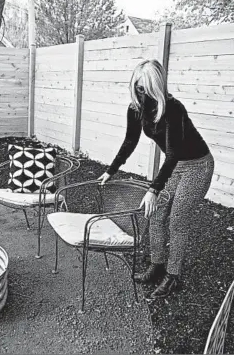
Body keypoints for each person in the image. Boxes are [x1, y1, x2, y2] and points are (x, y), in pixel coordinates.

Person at [98, 59, 214, 299]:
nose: (143, 95)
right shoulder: (135, 108)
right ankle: (157, 265)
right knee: (157, 213)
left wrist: (153, 189)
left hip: (197, 166)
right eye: (140, 89)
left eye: (148, 90)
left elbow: (173, 153)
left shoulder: (173, 108)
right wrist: (111, 170)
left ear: (158, 87)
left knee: (178, 219)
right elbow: (130, 141)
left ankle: (173, 277)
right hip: (176, 165)